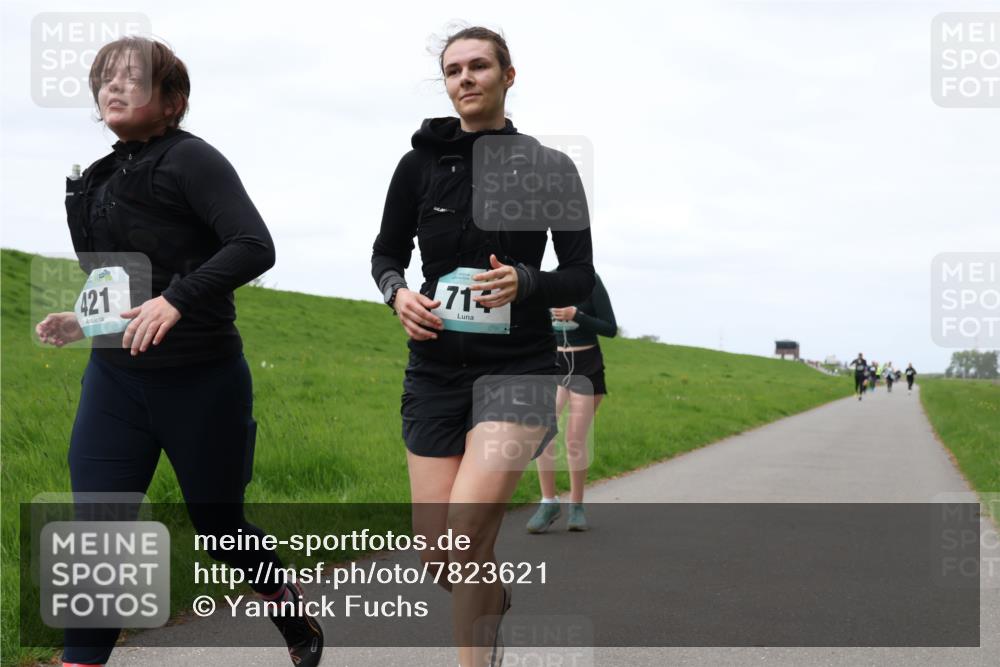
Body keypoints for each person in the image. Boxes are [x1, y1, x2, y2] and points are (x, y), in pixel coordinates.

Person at [35, 37, 323, 667]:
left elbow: (253, 244)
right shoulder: (98, 179)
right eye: (104, 79)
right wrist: (84, 321)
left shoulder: (194, 161)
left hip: (201, 380)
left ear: (173, 101)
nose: (111, 87)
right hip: (114, 382)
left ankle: (289, 610)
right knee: (100, 536)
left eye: (131, 79)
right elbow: (127, 279)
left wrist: (179, 300)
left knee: (220, 531)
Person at [370, 26, 594, 667]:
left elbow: (579, 272)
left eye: (478, 67)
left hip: (517, 370)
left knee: (466, 537)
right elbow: (387, 252)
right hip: (435, 371)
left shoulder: (550, 166)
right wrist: (397, 293)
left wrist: (526, 280)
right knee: (438, 552)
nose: (464, 78)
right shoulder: (416, 167)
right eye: (453, 70)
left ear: (507, 76)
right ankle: (492, 609)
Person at [527, 273, 616, 533]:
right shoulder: (546, 281)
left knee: (575, 438)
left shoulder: (592, 281)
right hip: (554, 364)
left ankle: (576, 506)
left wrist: (576, 315)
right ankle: (548, 502)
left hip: (586, 366)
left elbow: (610, 328)